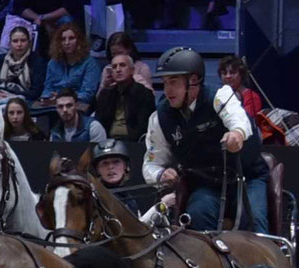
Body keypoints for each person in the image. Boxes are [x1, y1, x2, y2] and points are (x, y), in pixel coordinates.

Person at [143, 46, 268, 233]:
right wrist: (160, 175)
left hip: (246, 178)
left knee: (254, 221)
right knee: (197, 215)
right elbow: (151, 164)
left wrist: (237, 135)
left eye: (174, 82)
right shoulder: (159, 118)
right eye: (165, 82)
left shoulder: (220, 96)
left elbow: (239, 121)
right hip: (207, 186)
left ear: (193, 81)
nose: (167, 90)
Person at [39, 22, 101, 110]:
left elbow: (87, 94)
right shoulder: (53, 63)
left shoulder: (90, 63)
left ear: (79, 41)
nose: (67, 42)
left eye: (71, 38)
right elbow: (47, 88)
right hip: (54, 105)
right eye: (63, 39)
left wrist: (63, 97)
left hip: (78, 105)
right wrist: (46, 97)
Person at [0, 25, 48, 111]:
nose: (19, 44)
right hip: (1, 99)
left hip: (26, 101)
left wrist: (15, 97)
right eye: (15, 41)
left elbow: (36, 92)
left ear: (29, 43)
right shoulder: (1, 60)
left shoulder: (38, 62)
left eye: (23, 40)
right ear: (9, 44)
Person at [95, 52, 155, 141]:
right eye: (114, 67)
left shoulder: (144, 94)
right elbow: (99, 124)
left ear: (132, 70)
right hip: (108, 142)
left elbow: (143, 127)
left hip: (134, 144)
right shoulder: (105, 94)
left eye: (122, 65)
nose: (118, 69)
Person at [90, 138, 139, 214]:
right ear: (97, 170)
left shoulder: (131, 202)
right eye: (105, 163)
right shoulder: (91, 199)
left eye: (116, 161)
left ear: (125, 166)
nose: (110, 167)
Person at [218, 55, 262, 120]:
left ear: (241, 74)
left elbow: (246, 120)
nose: (228, 76)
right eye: (224, 73)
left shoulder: (252, 97)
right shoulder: (217, 95)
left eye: (232, 72)